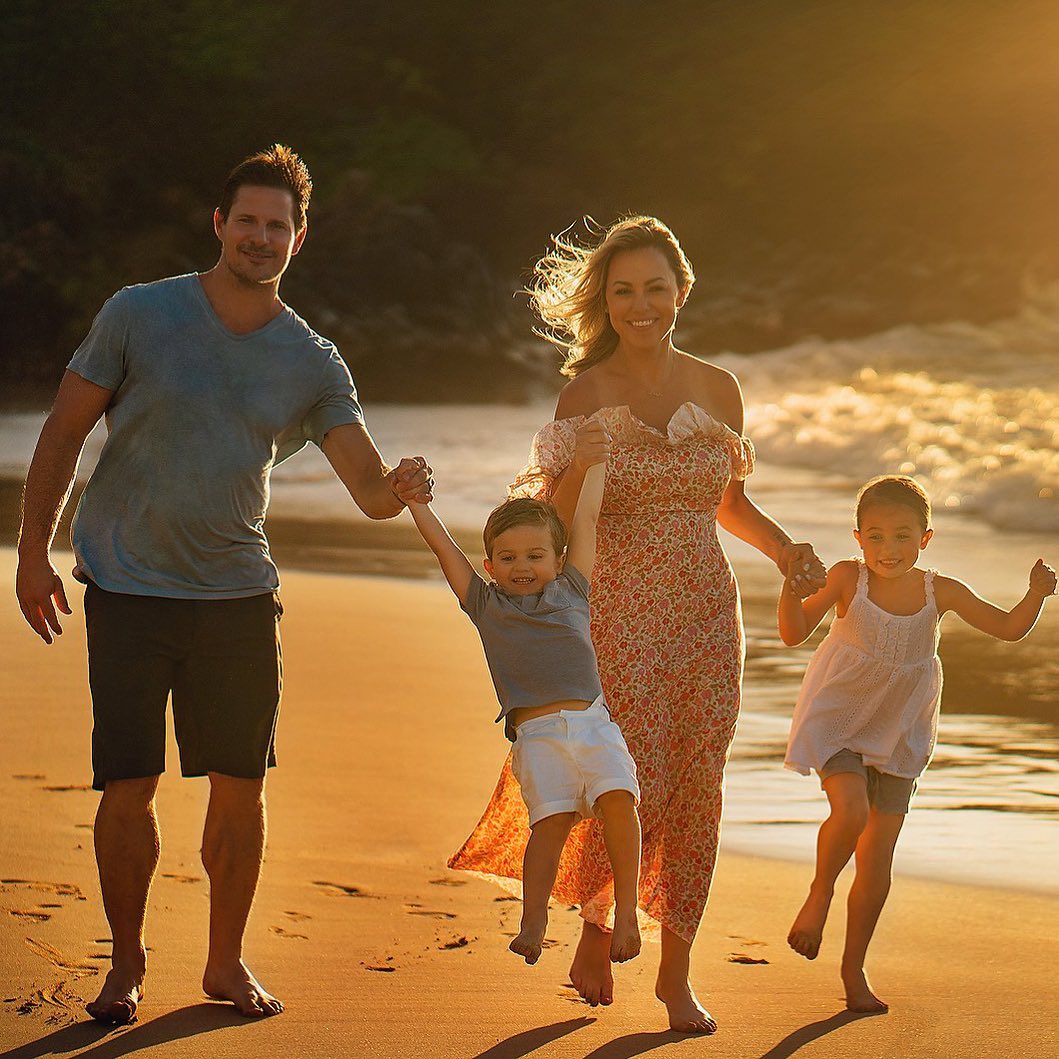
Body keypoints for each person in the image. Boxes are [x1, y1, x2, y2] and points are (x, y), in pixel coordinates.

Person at [14, 145, 430, 1025]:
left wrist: (403, 486)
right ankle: (126, 965)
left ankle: (224, 961)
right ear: (219, 222)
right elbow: (61, 432)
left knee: (241, 787)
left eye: (278, 225)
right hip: (127, 586)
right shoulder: (139, 313)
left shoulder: (311, 359)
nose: (261, 236)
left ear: (299, 238)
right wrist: (31, 551)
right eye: (247, 219)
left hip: (237, 598)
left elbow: (366, 489)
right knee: (129, 784)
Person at [449, 215, 826, 1033]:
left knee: (695, 788)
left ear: (681, 292)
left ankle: (675, 974)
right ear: (606, 302)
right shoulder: (584, 394)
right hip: (613, 613)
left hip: (703, 616)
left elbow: (725, 502)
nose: (639, 304)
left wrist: (784, 549)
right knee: (624, 778)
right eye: (623, 291)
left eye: (655, 287)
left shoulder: (718, 388)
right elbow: (545, 521)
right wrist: (579, 463)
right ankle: (594, 922)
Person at [779, 474, 1056, 1013]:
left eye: (903, 536)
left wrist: (1037, 595)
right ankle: (819, 892)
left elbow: (1007, 628)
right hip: (840, 717)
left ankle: (853, 970)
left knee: (879, 855)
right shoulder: (846, 579)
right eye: (876, 536)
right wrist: (792, 591)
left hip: (901, 726)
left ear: (926, 538)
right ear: (857, 537)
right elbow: (793, 633)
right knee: (851, 808)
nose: (889, 549)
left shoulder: (940, 590)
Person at [406, 455, 643, 967]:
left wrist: (596, 461)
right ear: (489, 567)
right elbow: (443, 549)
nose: (522, 567)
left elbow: (587, 518)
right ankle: (533, 918)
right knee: (550, 825)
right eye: (507, 558)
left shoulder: (574, 588)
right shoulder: (486, 605)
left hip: (594, 725)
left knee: (621, 801)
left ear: (557, 561)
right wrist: (417, 505)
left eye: (535, 556)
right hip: (537, 737)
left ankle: (626, 912)